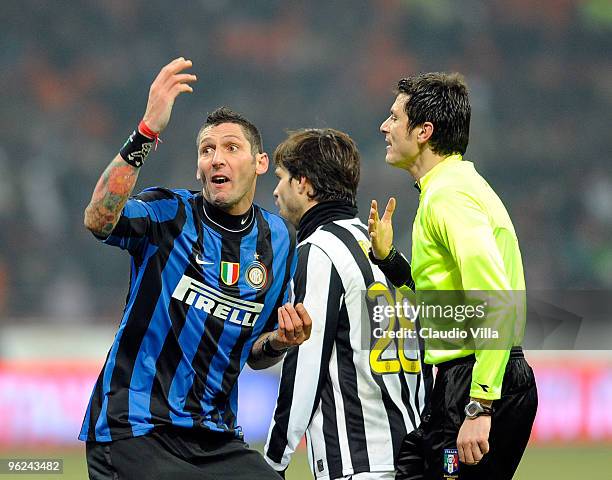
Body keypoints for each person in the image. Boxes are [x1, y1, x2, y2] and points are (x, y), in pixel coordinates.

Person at [80, 57, 312, 480]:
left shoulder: (279, 241)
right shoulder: (167, 213)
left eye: (230, 148)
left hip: (215, 439)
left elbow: (254, 352)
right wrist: (146, 132)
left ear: (260, 163)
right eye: (207, 150)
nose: (216, 159)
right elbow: (98, 219)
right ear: (198, 167)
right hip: (135, 429)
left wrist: (280, 340)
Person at [368, 73, 537, 479]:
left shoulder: (449, 197)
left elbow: (494, 297)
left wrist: (480, 404)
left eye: (394, 118)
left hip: (477, 377)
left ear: (424, 132)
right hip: (471, 376)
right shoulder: (457, 187)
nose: (384, 126)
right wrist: (389, 260)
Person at [264, 128, 431, 480]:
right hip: (414, 458)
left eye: (281, 178)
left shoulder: (319, 252)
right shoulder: (385, 252)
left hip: (358, 463)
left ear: (304, 184)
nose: (275, 190)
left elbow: (304, 367)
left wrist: (274, 462)